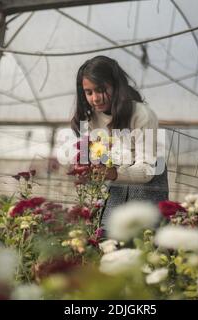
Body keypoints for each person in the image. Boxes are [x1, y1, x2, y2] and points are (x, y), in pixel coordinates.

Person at [71, 55, 169, 229]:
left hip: (147, 191)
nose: (95, 98)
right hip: (115, 189)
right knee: (108, 239)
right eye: (89, 92)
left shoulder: (142, 115)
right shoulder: (90, 120)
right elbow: (96, 162)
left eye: (101, 89)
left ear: (116, 86)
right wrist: (87, 169)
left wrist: (112, 173)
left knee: (142, 242)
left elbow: (147, 169)